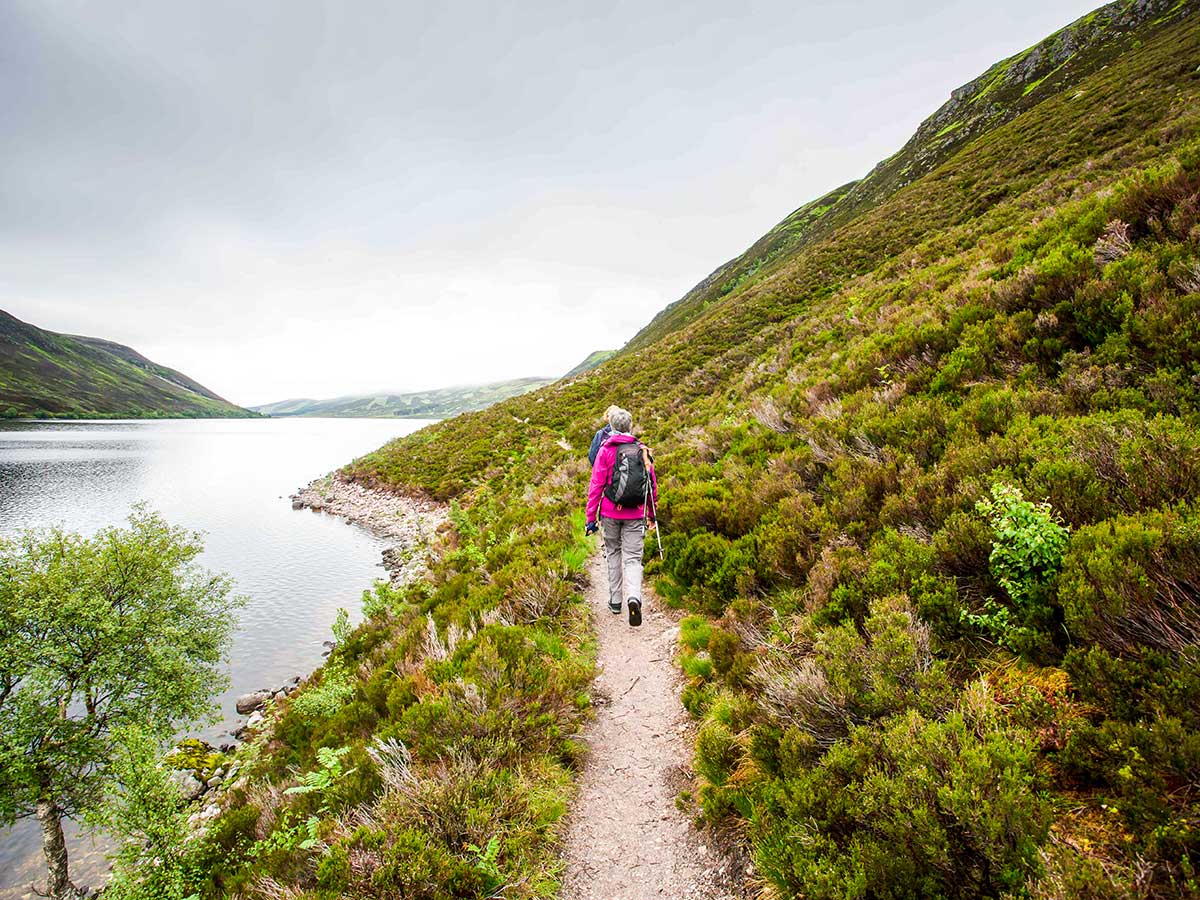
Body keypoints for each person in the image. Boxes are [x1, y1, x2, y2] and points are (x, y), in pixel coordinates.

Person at [585, 408, 657, 627]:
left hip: (609, 513)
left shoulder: (605, 451)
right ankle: (634, 597)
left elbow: (596, 485)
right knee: (634, 558)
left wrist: (591, 517)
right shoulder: (642, 450)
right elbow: (651, 486)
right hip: (635, 513)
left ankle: (615, 601)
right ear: (630, 426)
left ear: (612, 427)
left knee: (613, 552)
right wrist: (651, 515)